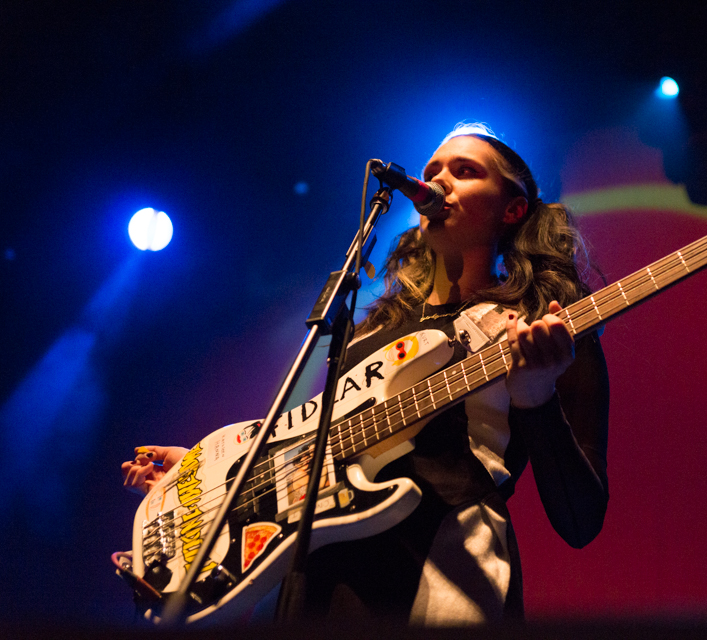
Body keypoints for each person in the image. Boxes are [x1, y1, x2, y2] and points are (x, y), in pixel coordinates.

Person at [122, 124, 609, 625]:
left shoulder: (544, 326)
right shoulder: (375, 326)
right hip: (318, 579)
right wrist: (215, 478)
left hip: (443, 572)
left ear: (512, 209)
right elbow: (314, 445)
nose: (439, 182)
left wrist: (536, 398)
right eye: (432, 171)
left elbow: (581, 519)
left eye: (465, 172)